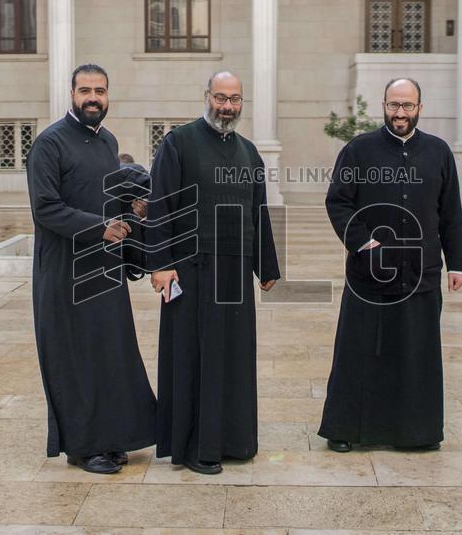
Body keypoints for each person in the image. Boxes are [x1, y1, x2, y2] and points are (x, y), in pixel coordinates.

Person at [319, 77, 462, 453]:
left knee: (416, 355)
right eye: (393, 105)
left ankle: (415, 432)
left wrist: (458, 264)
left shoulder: (439, 152)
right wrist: (362, 241)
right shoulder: (358, 150)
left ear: (420, 107)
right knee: (358, 352)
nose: (399, 113)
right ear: (383, 106)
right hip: (368, 274)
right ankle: (345, 429)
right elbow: (338, 201)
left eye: (407, 106)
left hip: (421, 274)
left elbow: (450, 210)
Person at [146, 71, 281, 475]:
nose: (227, 106)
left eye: (235, 99)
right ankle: (195, 448)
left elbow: (258, 209)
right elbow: (159, 205)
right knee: (195, 358)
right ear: (207, 97)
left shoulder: (249, 152)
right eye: (220, 98)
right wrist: (161, 264)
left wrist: (266, 265)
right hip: (190, 271)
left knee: (234, 358)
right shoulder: (179, 143)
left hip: (235, 273)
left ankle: (233, 442)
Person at [26, 63, 156, 474]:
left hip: (105, 269)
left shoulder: (108, 141)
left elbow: (107, 199)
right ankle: (84, 447)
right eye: (85, 90)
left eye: (100, 90)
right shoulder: (49, 144)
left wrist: (130, 209)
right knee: (76, 357)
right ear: (72, 94)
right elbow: (46, 208)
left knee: (109, 354)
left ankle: (112, 439)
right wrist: (99, 228)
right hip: (65, 270)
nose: (93, 98)